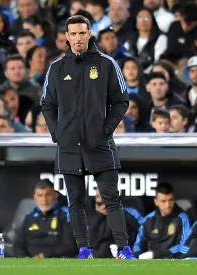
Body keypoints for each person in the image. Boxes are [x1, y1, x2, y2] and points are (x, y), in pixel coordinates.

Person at [41, 15, 132, 259]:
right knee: (76, 203)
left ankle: (124, 249)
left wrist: (105, 129)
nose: (78, 38)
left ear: (89, 34)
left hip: (100, 144)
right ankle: (83, 249)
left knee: (112, 199)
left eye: (82, 33)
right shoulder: (57, 68)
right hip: (69, 145)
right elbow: (47, 105)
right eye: (74, 34)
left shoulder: (106, 64)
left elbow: (122, 100)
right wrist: (57, 133)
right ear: (67, 37)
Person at [13, 179, 77, 258]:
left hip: (54, 263)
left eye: (48, 195)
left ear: (55, 196)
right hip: (30, 263)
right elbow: (18, 245)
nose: (44, 199)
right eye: (40, 195)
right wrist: (24, 258)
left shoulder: (65, 216)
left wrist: (45, 255)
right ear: (35, 198)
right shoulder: (29, 218)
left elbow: (70, 247)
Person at [132, 182, 191, 259]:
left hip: (172, 262)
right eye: (163, 201)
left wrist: (156, 254)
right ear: (156, 202)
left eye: (171, 200)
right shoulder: (148, 219)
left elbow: (184, 246)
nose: (168, 205)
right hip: (150, 262)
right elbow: (138, 244)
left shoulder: (182, 218)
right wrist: (137, 255)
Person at [89, 188, 142, 258]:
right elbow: (91, 242)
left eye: (103, 196)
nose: (99, 200)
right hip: (99, 259)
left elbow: (144, 230)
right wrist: (98, 216)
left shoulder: (127, 213)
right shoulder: (92, 215)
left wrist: (135, 251)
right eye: (98, 196)